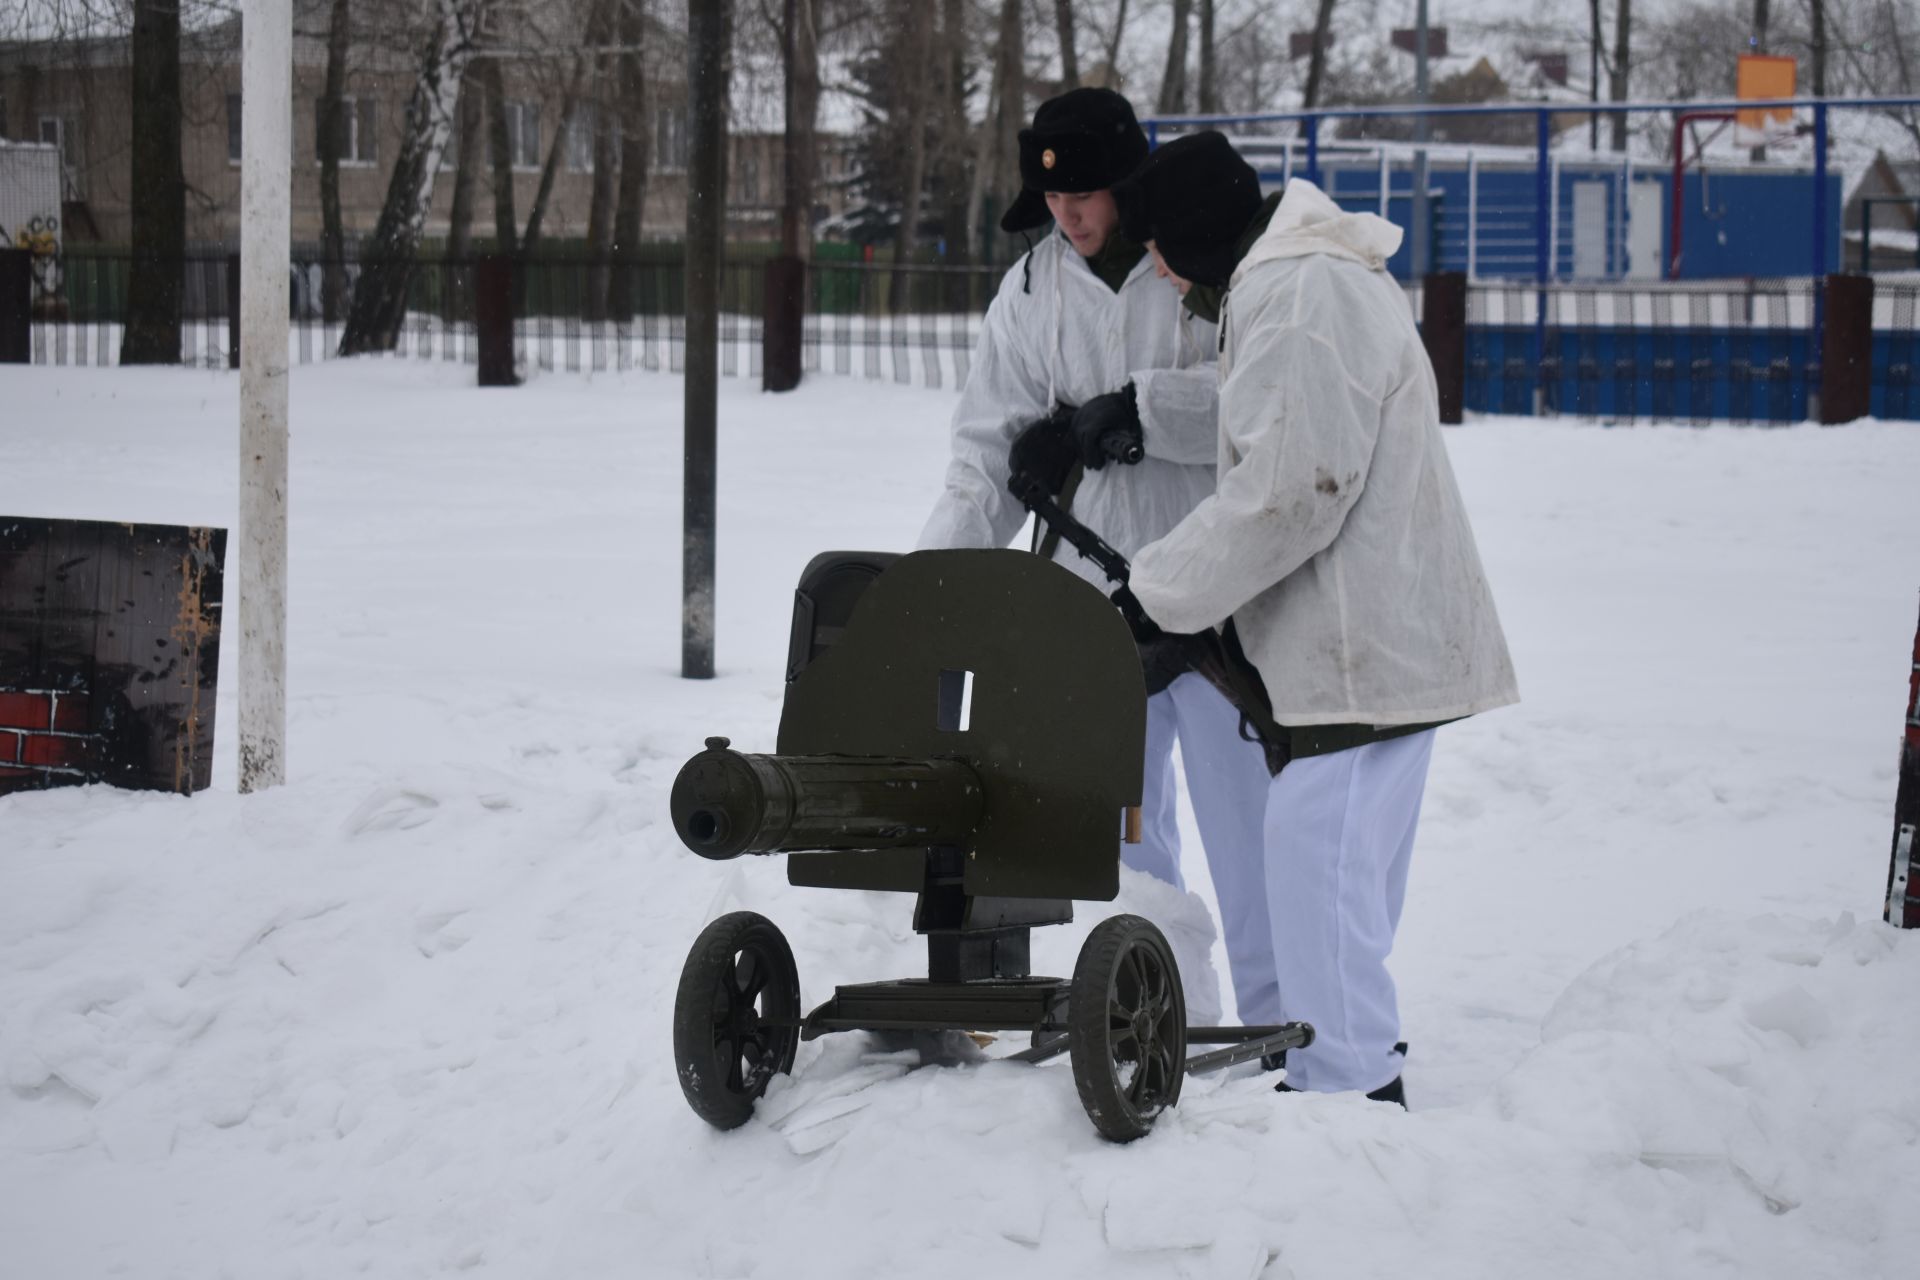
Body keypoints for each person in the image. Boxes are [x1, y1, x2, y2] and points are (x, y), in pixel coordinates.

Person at [1110, 132, 1519, 1104]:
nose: (1157, 270)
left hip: (1359, 642)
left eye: (1160, 248)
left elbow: (1292, 490)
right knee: (1337, 869)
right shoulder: (1300, 280)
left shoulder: (1295, 295)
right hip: (1375, 633)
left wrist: (1155, 595)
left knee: (1316, 857)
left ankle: (1347, 1087)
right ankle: (1345, 1058)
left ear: (1194, 237)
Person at [917, 90, 1277, 1029]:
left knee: (1254, 843)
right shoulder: (1031, 291)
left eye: (1085, 192)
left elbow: (1256, 402)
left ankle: (1285, 1035)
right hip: (1092, 612)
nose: (1068, 214)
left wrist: (1132, 412)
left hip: (1215, 601)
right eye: (1054, 197)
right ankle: (1155, 1025)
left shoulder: (1196, 263)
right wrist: (928, 579)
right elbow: (983, 457)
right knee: (1120, 846)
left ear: (1125, 182)